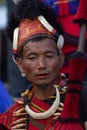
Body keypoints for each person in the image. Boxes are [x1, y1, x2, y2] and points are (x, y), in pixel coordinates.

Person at [0, 0, 87, 130]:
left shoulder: (82, 97)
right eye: (32, 58)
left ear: (61, 58)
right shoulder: (11, 119)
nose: (41, 65)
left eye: (49, 56)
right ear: (20, 64)